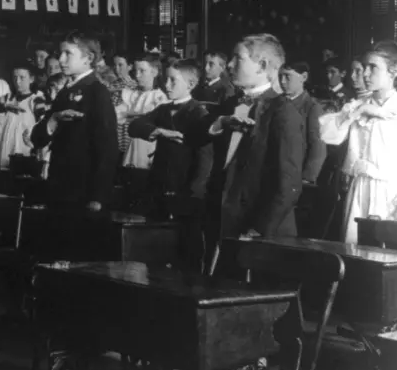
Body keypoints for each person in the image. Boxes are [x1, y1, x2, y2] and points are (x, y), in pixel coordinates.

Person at [206, 34, 304, 256]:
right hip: (225, 221)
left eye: (238, 58)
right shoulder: (230, 105)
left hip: (260, 231)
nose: (229, 65)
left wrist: (259, 230)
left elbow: (288, 183)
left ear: (262, 66)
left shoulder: (283, 111)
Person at [320, 40, 397, 242]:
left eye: (373, 68)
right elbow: (328, 135)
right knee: (353, 245)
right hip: (359, 189)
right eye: (364, 68)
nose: (365, 74)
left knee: (385, 254)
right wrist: (351, 115)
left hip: (391, 194)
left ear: (394, 71)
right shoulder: (357, 106)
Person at [30, 31, 118, 212]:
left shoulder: (97, 92)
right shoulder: (64, 92)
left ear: (88, 58)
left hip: (83, 191)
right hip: (58, 187)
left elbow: (107, 148)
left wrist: (98, 196)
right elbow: (38, 139)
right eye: (60, 54)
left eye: (68, 54)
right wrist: (53, 119)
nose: (61, 59)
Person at [129, 60, 213, 199]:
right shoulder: (163, 109)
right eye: (166, 79)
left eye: (173, 80)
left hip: (184, 185)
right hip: (158, 183)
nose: (167, 85)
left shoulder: (199, 113)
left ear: (190, 84)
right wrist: (159, 131)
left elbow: (205, 160)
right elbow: (134, 126)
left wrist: (194, 192)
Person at [115, 53, 168, 169]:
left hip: (149, 146)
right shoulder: (132, 94)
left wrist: (130, 114)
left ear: (154, 72)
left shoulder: (159, 97)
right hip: (133, 144)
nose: (137, 75)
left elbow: (153, 118)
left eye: (142, 71)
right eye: (136, 71)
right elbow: (118, 112)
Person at [278, 60, 327, 184]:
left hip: (295, 176)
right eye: (280, 76)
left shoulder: (312, 107)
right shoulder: (274, 104)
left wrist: (308, 177)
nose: (282, 81)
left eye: (288, 76)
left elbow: (318, 146)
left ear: (303, 77)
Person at [0, 63, 45, 170]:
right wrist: (5, 106)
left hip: (24, 148)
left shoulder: (36, 99)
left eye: (22, 78)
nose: (17, 82)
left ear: (31, 79)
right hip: (6, 145)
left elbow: (43, 123)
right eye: (15, 77)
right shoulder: (8, 98)